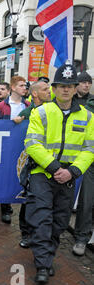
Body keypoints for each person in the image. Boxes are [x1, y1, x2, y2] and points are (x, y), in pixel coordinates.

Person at [24, 62, 94, 284]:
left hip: (68, 178)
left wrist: (72, 171)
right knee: (42, 218)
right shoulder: (41, 112)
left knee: (60, 221)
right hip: (42, 174)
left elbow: (89, 149)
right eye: (61, 85)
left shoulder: (88, 117)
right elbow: (32, 144)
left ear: (75, 89)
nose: (66, 89)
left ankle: (47, 255)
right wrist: (55, 168)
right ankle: (43, 264)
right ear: (54, 88)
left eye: (70, 86)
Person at [13, 80, 52, 249]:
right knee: (29, 200)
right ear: (35, 93)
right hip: (33, 165)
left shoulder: (54, 110)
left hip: (52, 164)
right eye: (45, 89)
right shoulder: (27, 112)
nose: (49, 91)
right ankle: (26, 233)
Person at [0, 76, 31, 224]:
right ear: (13, 87)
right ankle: (5, 207)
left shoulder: (28, 105)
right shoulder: (1, 106)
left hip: (23, 146)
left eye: (25, 85)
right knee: (5, 176)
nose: (25, 88)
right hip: (5, 146)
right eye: (21, 85)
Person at [72, 71, 94, 257]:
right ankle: (80, 236)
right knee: (85, 200)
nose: (86, 85)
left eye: (89, 82)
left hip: (89, 156)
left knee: (88, 199)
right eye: (83, 82)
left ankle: (84, 235)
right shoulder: (69, 102)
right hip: (72, 158)